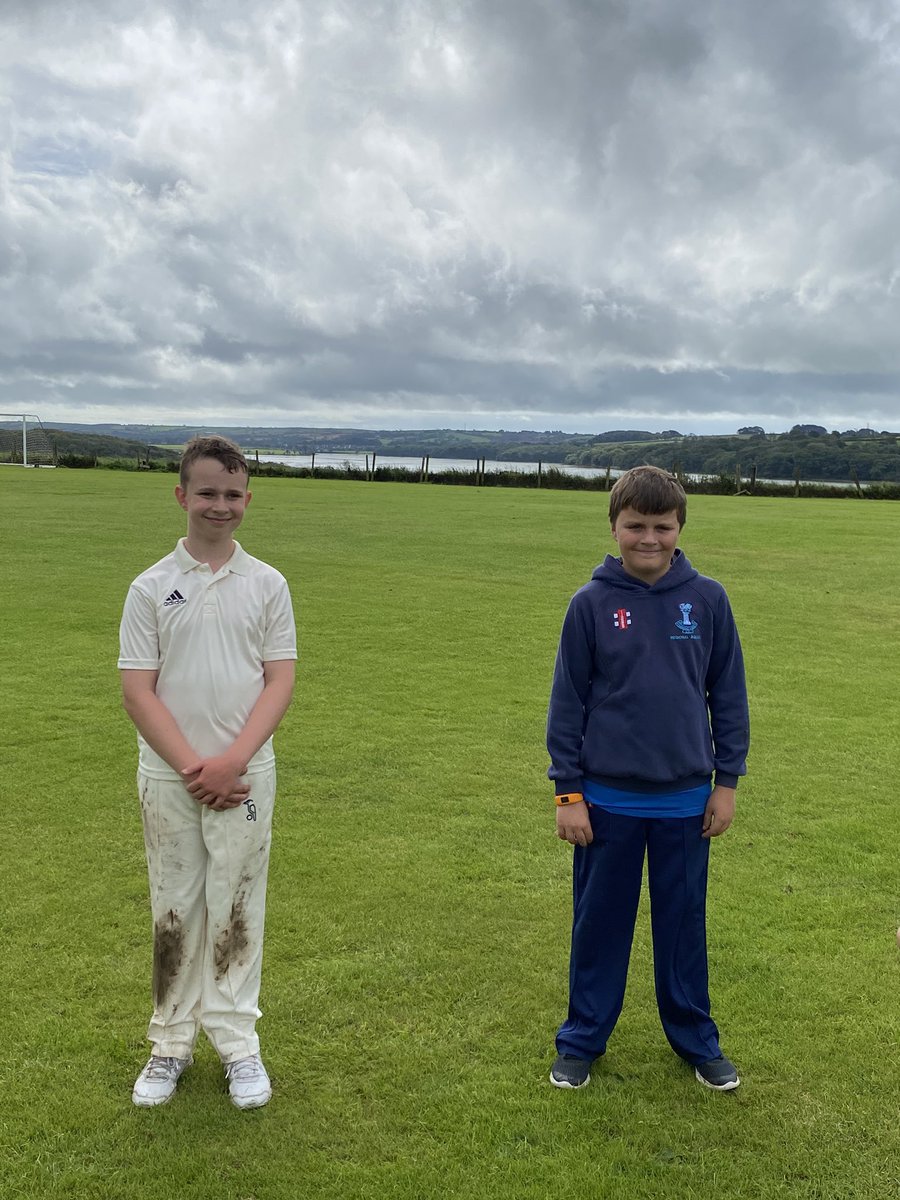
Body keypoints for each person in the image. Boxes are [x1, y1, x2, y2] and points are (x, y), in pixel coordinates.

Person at [546, 465, 749, 1092]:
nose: (649, 539)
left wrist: (727, 781)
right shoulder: (591, 603)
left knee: (683, 925)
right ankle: (582, 1039)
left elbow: (729, 696)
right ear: (614, 526)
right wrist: (569, 794)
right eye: (636, 526)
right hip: (605, 801)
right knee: (599, 924)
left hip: (687, 800)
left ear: (680, 527)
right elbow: (567, 705)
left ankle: (696, 1040)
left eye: (662, 527)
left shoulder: (708, 599)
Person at [118, 435, 297, 1109]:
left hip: (247, 776)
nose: (219, 506)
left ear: (247, 499)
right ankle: (169, 1045)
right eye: (206, 493)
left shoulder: (267, 584)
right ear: (181, 495)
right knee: (174, 907)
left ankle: (237, 1045)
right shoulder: (149, 587)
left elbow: (279, 681)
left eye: (231, 495)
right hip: (170, 780)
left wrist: (231, 762)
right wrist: (195, 766)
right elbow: (139, 690)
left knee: (238, 902)